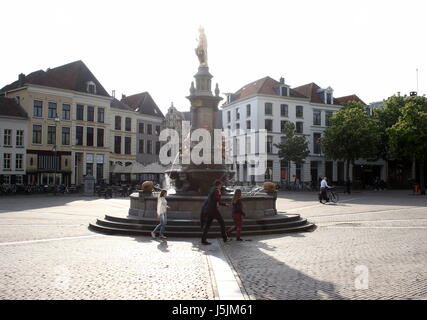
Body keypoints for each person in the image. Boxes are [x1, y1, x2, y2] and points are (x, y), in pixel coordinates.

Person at [200, 180, 230, 245]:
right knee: (222, 223)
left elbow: (213, 200)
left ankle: (203, 239)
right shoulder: (216, 190)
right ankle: (225, 238)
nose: (221, 186)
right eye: (221, 185)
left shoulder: (212, 189)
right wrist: (225, 204)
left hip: (209, 210)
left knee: (208, 225)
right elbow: (217, 201)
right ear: (218, 185)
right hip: (214, 210)